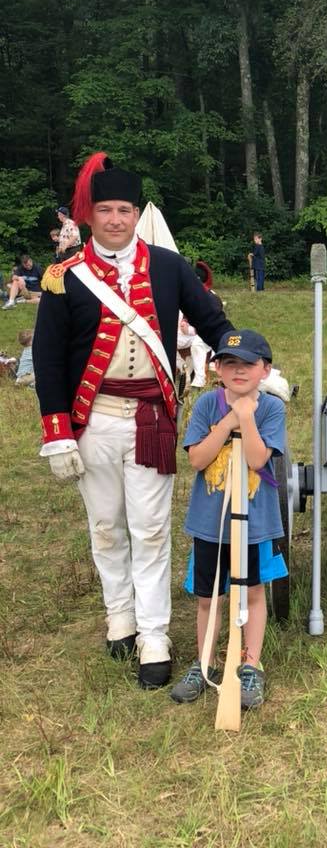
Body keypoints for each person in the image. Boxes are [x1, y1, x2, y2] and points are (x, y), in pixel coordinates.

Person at [32, 151, 236, 689]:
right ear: (90, 215)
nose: (117, 219)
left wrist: (246, 362)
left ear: (134, 212)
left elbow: (212, 321)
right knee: (104, 528)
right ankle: (118, 618)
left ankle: (153, 635)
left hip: (150, 419)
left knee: (148, 530)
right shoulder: (63, 277)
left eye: (125, 208)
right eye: (107, 210)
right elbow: (50, 360)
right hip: (91, 422)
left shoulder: (167, 266)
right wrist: (57, 433)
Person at [170, 328, 287, 708]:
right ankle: (203, 661)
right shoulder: (206, 406)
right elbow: (197, 459)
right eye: (229, 363)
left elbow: (257, 459)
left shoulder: (272, 408)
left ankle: (250, 665)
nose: (238, 371)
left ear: (264, 370)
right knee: (209, 596)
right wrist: (227, 422)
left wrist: (247, 418)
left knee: (253, 591)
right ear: (216, 368)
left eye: (248, 364)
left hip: (255, 524)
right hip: (210, 524)